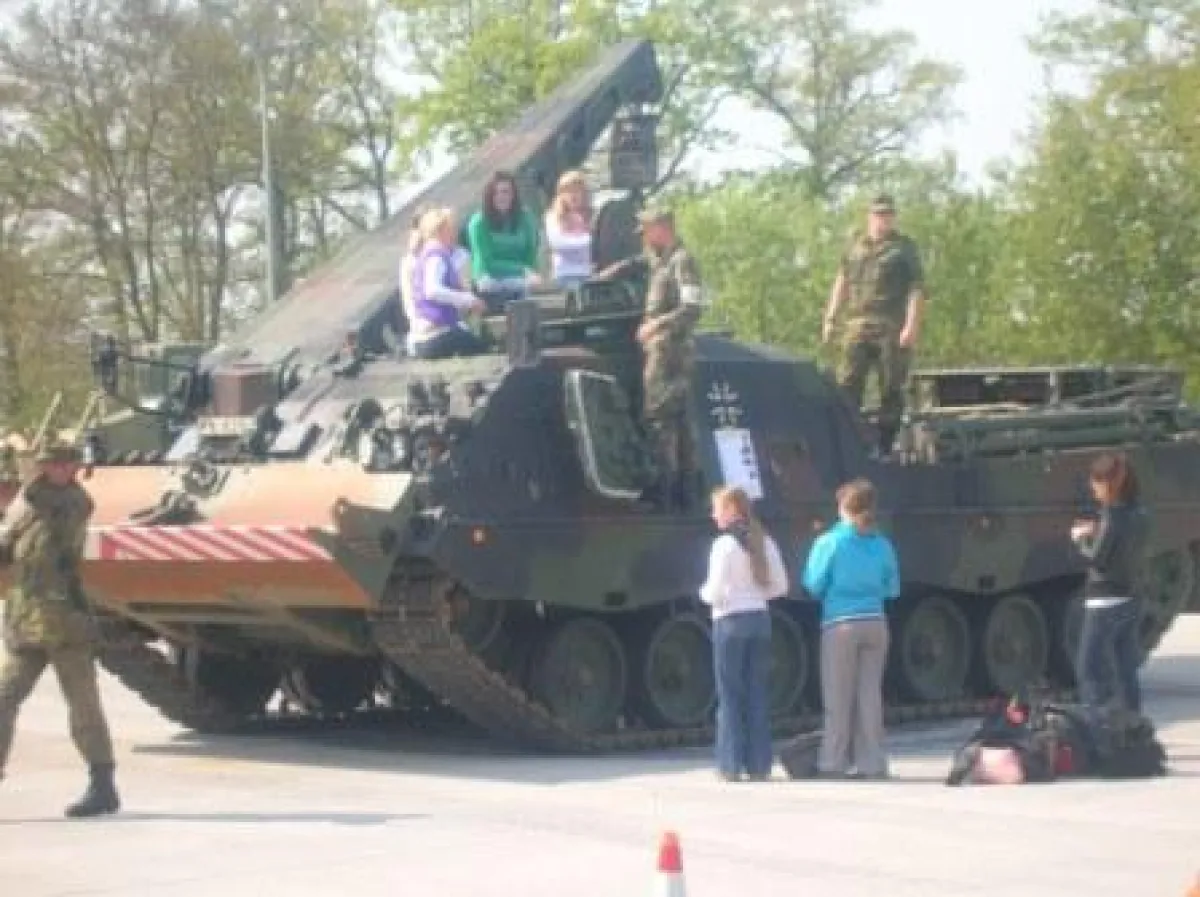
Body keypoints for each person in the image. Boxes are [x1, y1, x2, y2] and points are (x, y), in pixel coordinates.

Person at [0, 442, 120, 817]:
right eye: (50, 463)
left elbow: (48, 539)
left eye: (63, 463)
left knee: (84, 707)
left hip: (65, 622)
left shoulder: (70, 503)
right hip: (28, 620)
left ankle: (102, 784)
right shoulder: (28, 501)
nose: (57, 469)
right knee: (4, 698)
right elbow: (12, 546)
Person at [597, 206, 706, 509]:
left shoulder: (682, 262)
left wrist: (657, 325)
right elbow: (636, 263)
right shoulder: (660, 260)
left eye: (646, 231)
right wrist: (610, 272)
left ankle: (666, 490)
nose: (643, 238)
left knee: (660, 416)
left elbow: (692, 308)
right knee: (677, 419)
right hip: (660, 348)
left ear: (661, 227)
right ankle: (681, 491)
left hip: (671, 350)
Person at [801, 478, 899, 779]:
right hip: (876, 623)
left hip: (840, 624)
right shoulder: (882, 543)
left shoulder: (830, 542)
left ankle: (833, 762)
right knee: (870, 695)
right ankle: (873, 763)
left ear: (843, 507)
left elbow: (813, 583)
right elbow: (892, 588)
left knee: (838, 696)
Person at [821, 194, 926, 455]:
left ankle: (884, 445)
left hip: (889, 323)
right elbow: (842, 280)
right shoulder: (855, 246)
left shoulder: (903, 249)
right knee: (847, 383)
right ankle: (850, 439)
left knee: (891, 385)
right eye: (879, 215)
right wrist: (831, 316)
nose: (883, 220)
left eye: (888, 215)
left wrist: (911, 325)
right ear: (870, 217)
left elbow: (916, 289)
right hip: (857, 323)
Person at [698, 485, 789, 782]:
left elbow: (712, 591)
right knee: (756, 692)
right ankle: (760, 764)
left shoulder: (723, 546)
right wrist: (756, 592)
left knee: (730, 695)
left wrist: (703, 594)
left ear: (731, 511)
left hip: (730, 622)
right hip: (760, 620)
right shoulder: (765, 541)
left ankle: (730, 764)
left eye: (717, 508)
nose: (713, 514)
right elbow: (781, 587)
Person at [1070, 452, 1150, 718]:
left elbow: (1097, 560)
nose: (1093, 489)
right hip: (1131, 597)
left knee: (1089, 669)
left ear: (1110, 483)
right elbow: (1123, 544)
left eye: (1097, 483)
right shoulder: (1140, 512)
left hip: (1105, 602)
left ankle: (1096, 729)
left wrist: (1081, 538)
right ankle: (1134, 724)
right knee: (1125, 668)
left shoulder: (1112, 516)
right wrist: (1099, 531)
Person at [407, 207, 489, 360]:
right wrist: (469, 300)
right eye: (450, 229)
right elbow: (432, 290)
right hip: (433, 336)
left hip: (432, 335)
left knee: (471, 340)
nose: (454, 233)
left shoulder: (429, 253)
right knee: (482, 347)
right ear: (439, 230)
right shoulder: (435, 256)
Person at [464, 171, 542, 303]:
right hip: (489, 279)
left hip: (521, 278)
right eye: (496, 193)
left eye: (506, 192)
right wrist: (522, 270)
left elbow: (531, 252)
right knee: (498, 284)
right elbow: (488, 263)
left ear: (513, 195)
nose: (501, 196)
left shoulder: (526, 217)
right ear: (490, 196)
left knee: (533, 286)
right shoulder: (478, 222)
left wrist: (533, 273)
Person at [544, 169, 593, 288]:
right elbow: (559, 244)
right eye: (568, 191)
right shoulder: (553, 216)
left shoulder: (592, 215)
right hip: (565, 275)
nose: (573, 195)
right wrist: (589, 240)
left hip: (591, 274)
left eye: (577, 191)